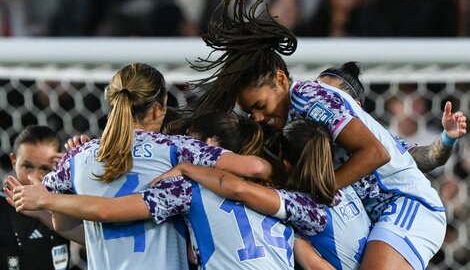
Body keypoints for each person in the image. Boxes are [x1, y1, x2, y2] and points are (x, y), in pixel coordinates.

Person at [187, 0, 451, 270]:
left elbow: (377, 153)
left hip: (402, 204)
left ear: (281, 79)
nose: (258, 118)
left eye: (260, 106)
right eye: (251, 112)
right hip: (362, 216)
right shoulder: (282, 123)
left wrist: (320, 192)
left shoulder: (311, 98)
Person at [6, 63, 275, 270]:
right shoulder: (177, 150)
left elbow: (64, 225)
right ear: (158, 109)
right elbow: (255, 168)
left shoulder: (77, 158)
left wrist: (50, 201)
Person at [6, 112, 332, 270]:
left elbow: (108, 212)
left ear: (210, 147)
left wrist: (50, 197)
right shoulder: (291, 203)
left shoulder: (186, 191)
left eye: (189, 142)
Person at [156, 118, 372, 270]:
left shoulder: (301, 206)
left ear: (285, 162)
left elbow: (240, 190)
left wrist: (188, 168)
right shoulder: (349, 186)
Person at [317, 61, 467, 173]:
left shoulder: (379, 139)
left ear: (354, 106)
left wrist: (447, 138)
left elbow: (428, 158)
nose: (319, 100)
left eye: (331, 97)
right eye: (315, 90)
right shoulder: (301, 132)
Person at [1, 125, 83, 270]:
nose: (34, 177)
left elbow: (93, 239)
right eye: (27, 166)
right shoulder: (2, 205)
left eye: (45, 169)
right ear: (14, 161)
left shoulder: (65, 201)